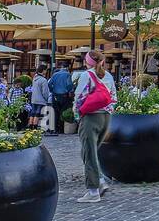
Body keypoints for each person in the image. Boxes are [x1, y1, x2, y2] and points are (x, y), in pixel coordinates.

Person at [74, 49, 116, 203]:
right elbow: (113, 97)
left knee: (89, 153)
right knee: (90, 152)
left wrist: (77, 115)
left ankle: (93, 191)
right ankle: (100, 180)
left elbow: (79, 97)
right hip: (105, 117)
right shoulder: (109, 76)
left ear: (87, 62)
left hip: (91, 117)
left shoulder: (86, 75)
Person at [48, 61, 74, 135]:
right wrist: (70, 91)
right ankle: (62, 128)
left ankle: (55, 129)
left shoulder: (55, 74)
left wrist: (52, 91)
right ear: (67, 67)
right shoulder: (67, 74)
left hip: (55, 95)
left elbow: (49, 84)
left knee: (56, 112)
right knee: (63, 111)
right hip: (64, 96)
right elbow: (69, 85)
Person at [29, 64, 51, 130]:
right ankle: (35, 126)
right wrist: (46, 98)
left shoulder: (34, 78)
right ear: (43, 70)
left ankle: (30, 125)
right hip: (40, 99)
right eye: (46, 70)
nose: (46, 71)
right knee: (37, 114)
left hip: (34, 99)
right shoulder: (43, 80)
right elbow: (45, 92)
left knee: (32, 112)